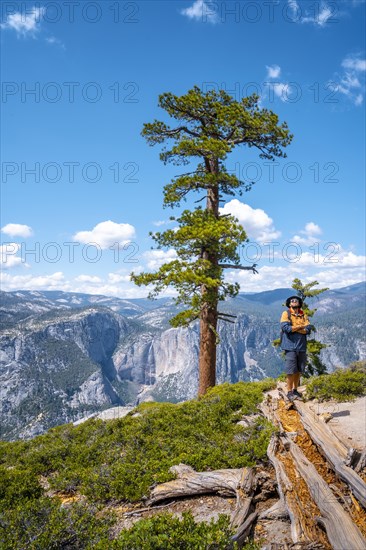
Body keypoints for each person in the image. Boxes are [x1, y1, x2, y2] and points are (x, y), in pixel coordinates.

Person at [280, 296, 313, 401]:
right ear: (289, 304)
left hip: (301, 346)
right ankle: (289, 392)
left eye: (296, 301)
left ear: (299, 303)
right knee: (290, 370)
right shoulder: (286, 314)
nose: (294, 302)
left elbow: (308, 329)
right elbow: (286, 328)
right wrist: (300, 327)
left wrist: (296, 328)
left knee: (299, 369)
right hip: (290, 346)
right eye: (292, 301)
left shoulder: (304, 314)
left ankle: (295, 390)